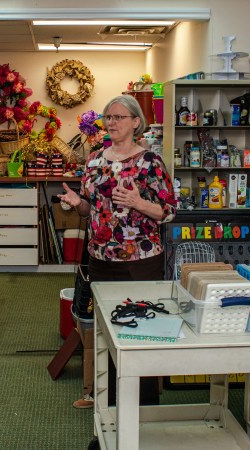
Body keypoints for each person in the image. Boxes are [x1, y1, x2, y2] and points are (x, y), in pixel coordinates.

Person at [59, 94, 177, 409]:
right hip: (100, 260)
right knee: (106, 332)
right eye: (108, 117)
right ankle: (108, 400)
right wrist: (77, 204)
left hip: (141, 262)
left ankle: (145, 403)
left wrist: (138, 203)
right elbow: (88, 208)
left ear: (136, 122)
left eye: (119, 117)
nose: (111, 122)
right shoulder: (95, 159)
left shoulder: (150, 162)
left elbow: (168, 211)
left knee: (143, 330)